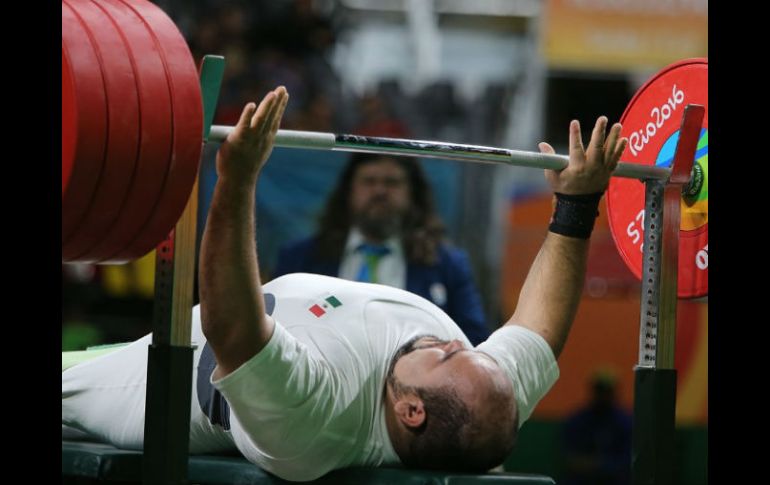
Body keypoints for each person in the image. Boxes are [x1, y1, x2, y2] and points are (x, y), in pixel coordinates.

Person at [62, 86, 627, 482]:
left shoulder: (318, 416)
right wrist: (577, 204)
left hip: (155, 382)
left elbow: (231, 326)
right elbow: (540, 329)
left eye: (449, 357)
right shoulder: (485, 396)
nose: (461, 343)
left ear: (410, 410)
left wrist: (237, 181)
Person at [272, 150, 489, 345]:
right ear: (349, 191)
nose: (379, 191)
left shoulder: (448, 265)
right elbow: (275, 332)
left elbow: (473, 341)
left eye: (392, 182)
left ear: (412, 194)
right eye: (369, 181)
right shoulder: (299, 259)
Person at [562, 370, 632, 485]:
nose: (603, 396)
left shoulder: (625, 422)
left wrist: (598, 465)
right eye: (600, 390)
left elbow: (627, 461)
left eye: (607, 391)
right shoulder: (578, 421)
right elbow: (569, 458)